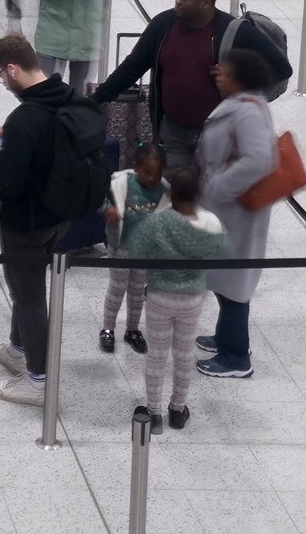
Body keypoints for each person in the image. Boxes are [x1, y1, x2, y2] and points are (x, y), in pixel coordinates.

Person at [0, 33, 103, 407]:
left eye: (1, 75)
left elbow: (8, 182)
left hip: (25, 221)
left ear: (13, 69)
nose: (3, 82)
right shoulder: (67, 96)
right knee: (24, 286)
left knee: (29, 296)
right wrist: (9, 144)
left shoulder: (25, 118)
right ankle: (17, 349)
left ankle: (38, 379)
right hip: (59, 213)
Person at [89, 0, 292, 175]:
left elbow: (282, 68)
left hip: (217, 134)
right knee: (174, 193)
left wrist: (237, 76)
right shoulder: (163, 25)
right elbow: (132, 67)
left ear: (206, 3)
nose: (178, 1)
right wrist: (97, 98)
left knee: (211, 195)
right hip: (171, 131)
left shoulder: (235, 31)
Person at [193, 49, 278, 378]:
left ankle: (235, 356)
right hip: (227, 211)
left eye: (225, 72)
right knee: (225, 278)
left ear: (240, 78)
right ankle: (225, 337)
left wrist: (218, 187)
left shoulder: (248, 113)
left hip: (236, 213)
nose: (218, 75)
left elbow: (260, 159)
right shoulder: (243, 105)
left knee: (234, 284)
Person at [128, 168, 228, 431]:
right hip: (192, 299)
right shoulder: (210, 222)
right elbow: (225, 252)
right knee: (184, 355)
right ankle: (177, 409)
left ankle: (154, 413)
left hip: (160, 296)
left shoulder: (157, 222)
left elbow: (136, 249)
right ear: (199, 194)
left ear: (170, 193)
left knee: (157, 356)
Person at [100, 143, 167, 356]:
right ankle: (108, 328)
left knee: (138, 291)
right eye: (147, 172)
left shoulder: (165, 191)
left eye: (157, 174)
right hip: (121, 245)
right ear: (136, 167)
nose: (152, 178)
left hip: (144, 250)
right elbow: (98, 198)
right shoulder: (120, 183)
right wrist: (107, 209)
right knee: (117, 288)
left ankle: (133, 330)